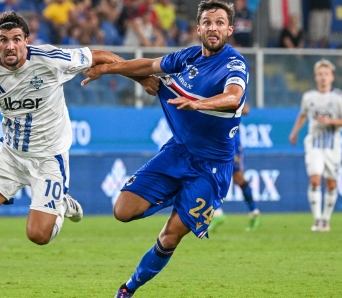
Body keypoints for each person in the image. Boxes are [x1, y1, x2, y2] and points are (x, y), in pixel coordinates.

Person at [0, 11, 159, 298]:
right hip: (10, 155)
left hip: (48, 158)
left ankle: (61, 203)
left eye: (16, 39)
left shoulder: (49, 59)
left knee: (38, 236)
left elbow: (98, 56)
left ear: (26, 40)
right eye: (3, 40)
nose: (10, 46)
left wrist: (140, 77)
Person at [82, 1, 248, 296]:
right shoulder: (187, 57)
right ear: (198, 28)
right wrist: (108, 69)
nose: (214, 27)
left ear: (229, 29)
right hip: (178, 152)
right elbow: (148, 65)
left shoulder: (234, 64)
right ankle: (176, 195)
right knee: (122, 210)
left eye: (220, 22)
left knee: (170, 236)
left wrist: (199, 103)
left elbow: (233, 98)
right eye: (208, 22)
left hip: (211, 168)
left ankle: (128, 288)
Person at [289, 59, 342, 232]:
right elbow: (303, 115)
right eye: (320, 74)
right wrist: (294, 132)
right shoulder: (309, 97)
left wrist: (330, 121)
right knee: (315, 179)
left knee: (331, 184)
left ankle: (326, 219)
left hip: (333, 146)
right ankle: (317, 219)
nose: (323, 78)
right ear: (315, 77)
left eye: (326, 74)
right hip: (314, 144)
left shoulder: (339, 97)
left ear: (332, 77)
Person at [209, 102, 261, 232]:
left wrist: (221, 106)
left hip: (231, 142)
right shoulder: (207, 90)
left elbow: (246, 109)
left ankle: (254, 212)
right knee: (209, 176)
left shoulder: (231, 88)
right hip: (214, 141)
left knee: (238, 178)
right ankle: (217, 214)